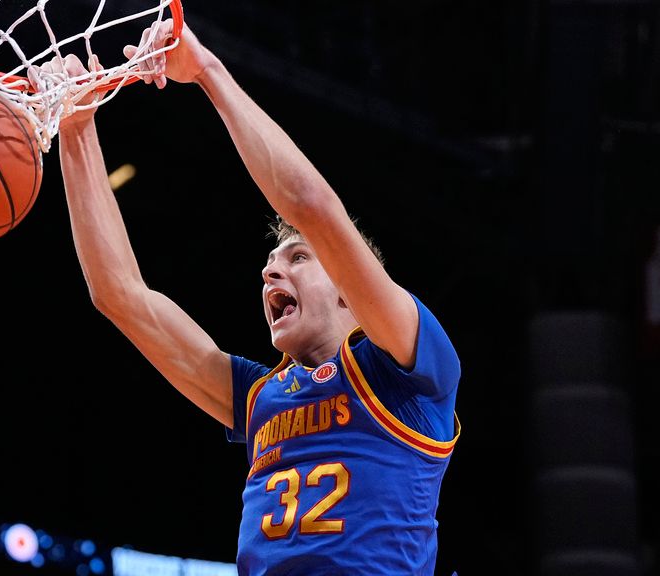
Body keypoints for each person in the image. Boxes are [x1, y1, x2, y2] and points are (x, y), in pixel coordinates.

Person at [31, 19, 461, 576]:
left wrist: (207, 71)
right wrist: (77, 127)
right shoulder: (262, 398)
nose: (270, 271)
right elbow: (120, 295)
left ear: (352, 294)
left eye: (298, 258)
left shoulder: (411, 371)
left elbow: (310, 204)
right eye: (270, 263)